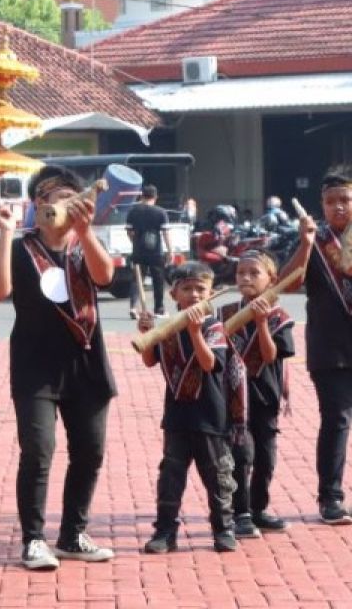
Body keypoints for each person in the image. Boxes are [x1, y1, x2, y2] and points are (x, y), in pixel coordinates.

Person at [0, 164, 117, 571]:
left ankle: (73, 534)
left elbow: (104, 276)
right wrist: (5, 232)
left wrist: (87, 230)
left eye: (66, 196)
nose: (57, 204)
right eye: (48, 197)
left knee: (90, 453)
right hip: (35, 367)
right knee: (39, 451)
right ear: (36, 204)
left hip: (87, 363)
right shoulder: (22, 246)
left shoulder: (83, 244)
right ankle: (34, 540)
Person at [138, 262, 242, 554]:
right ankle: (165, 532)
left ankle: (223, 530)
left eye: (201, 289)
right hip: (176, 418)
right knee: (171, 476)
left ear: (211, 293)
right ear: (174, 294)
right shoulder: (168, 329)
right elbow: (149, 360)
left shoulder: (214, 327)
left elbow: (209, 363)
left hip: (210, 417)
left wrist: (195, 332)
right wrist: (147, 333)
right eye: (187, 288)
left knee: (218, 477)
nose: (194, 294)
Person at [280, 165, 352, 525]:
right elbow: (285, 285)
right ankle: (330, 498)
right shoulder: (314, 241)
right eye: (331, 202)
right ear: (321, 206)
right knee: (336, 420)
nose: (339, 207)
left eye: (345, 200)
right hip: (330, 350)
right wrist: (305, 245)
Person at [220, 250, 295, 536]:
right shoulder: (225, 313)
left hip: (264, 397)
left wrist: (262, 323)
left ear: (271, 280)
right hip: (233, 400)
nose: (246, 278)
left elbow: (270, 354)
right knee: (241, 455)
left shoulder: (279, 318)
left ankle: (258, 508)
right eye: (241, 273)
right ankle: (239, 512)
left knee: (266, 457)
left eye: (254, 273)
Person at [126, 184, 171, 319]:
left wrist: (134, 242)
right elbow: (165, 233)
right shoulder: (160, 212)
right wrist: (170, 250)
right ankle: (159, 309)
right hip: (156, 251)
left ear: (141, 195)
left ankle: (134, 308)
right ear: (156, 197)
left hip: (138, 250)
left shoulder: (133, 211)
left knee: (137, 279)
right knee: (158, 280)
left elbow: (129, 232)